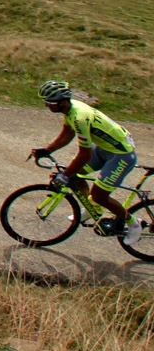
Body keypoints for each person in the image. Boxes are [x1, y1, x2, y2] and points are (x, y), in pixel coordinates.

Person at [33, 80, 141, 244]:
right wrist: (47, 150)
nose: (47, 106)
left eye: (50, 103)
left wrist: (65, 175)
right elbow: (66, 134)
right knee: (75, 175)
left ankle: (134, 224)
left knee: (99, 195)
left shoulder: (80, 118)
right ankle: (94, 210)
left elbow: (84, 155)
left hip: (121, 155)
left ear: (62, 102)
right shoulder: (70, 110)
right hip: (105, 148)